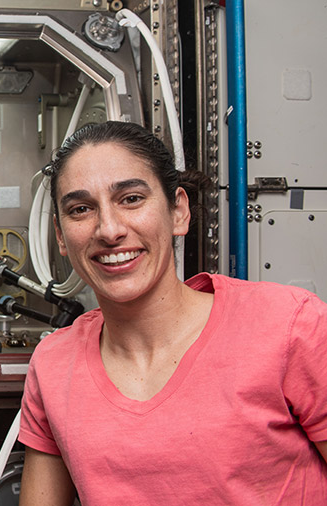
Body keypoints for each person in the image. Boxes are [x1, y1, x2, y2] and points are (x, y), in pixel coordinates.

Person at [18, 121, 327, 504]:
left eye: (131, 198)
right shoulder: (53, 365)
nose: (109, 229)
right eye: (81, 209)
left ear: (178, 210)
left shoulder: (289, 326)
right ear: (62, 237)